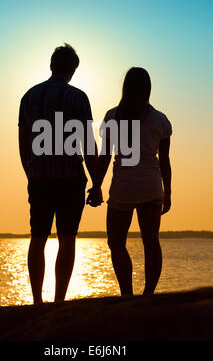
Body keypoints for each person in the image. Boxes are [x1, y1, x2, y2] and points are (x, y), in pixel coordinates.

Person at [18, 44, 101, 303]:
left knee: (37, 238)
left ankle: (36, 301)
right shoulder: (78, 97)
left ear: (52, 65)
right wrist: (97, 182)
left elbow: (23, 142)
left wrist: (30, 173)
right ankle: (59, 301)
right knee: (67, 239)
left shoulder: (29, 96)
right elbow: (87, 143)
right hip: (69, 179)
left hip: (40, 179)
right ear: (72, 69)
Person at [88, 67, 172, 296]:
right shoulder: (160, 120)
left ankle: (127, 294)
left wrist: (96, 186)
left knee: (116, 243)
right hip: (151, 186)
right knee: (151, 241)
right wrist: (169, 192)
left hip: (123, 187)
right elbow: (164, 161)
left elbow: (105, 156)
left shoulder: (112, 116)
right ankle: (148, 295)